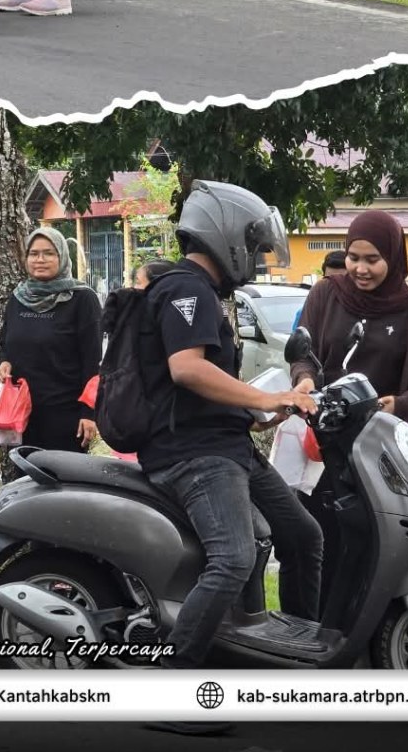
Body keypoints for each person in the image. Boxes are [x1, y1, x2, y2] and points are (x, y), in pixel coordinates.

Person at [136, 180, 321, 667]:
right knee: (234, 559)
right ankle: (174, 671)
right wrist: (266, 396)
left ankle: (296, 653)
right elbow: (186, 369)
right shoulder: (184, 289)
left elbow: (203, 388)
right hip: (193, 455)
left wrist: (258, 413)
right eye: (255, 247)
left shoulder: (208, 293)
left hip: (225, 446)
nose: (257, 258)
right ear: (227, 236)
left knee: (303, 535)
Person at [291, 210, 408, 614]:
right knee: (317, 540)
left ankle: (369, 628)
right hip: (323, 447)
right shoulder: (326, 294)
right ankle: (315, 627)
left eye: (372, 260)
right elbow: (303, 353)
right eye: (353, 257)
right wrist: (304, 380)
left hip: (379, 453)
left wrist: (400, 405)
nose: (360, 269)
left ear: (393, 258)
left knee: (373, 545)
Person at [0, 227, 101, 451]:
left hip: (67, 416)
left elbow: (93, 362)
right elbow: (5, 343)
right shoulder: (18, 298)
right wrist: (4, 362)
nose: (40, 260)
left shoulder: (82, 299)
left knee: (63, 474)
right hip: (20, 415)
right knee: (24, 472)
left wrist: (89, 413)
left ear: (62, 256)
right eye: (33, 253)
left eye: (49, 253)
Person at [291, 249, 347, 330]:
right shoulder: (307, 313)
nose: (335, 285)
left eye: (341, 280)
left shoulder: (362, 311)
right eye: (329, 280)